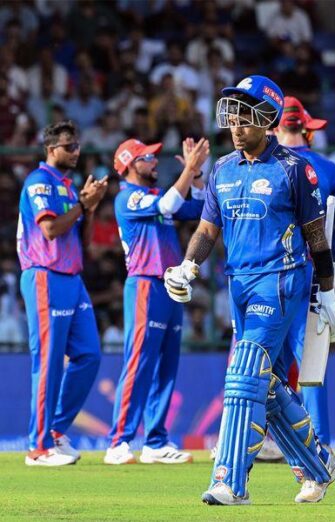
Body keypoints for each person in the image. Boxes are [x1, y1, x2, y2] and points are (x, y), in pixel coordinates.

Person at [163, 76, 335, 505]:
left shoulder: (293, 168)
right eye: (232, 117)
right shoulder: (223, 169)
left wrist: (327, 293)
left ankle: (230, 480)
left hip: (280, 279)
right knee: (267, 383)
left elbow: (316, 237)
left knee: (244, 371)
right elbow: (207, 230)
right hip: (239, 285)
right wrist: (188, 266)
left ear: (267, 119)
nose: (235, 125)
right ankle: (319, 465)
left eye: (244, 117)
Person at [103, 136, 210, 465]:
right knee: (139, 363)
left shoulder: (154, 195)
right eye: (146, 158)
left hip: (169, 286)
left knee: (166, 365)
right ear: (129, 165)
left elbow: (200, 209)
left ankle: (155, 442)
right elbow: (167, 206)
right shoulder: (127, 197)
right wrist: (188, 169)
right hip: (144, 285)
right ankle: (119, 442)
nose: (154, 162)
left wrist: (196, 176)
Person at [18, 120, 108, 466]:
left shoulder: (68, 187)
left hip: (72, 278)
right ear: (50, 148)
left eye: (77, 145)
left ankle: (55, 430)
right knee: (49, 360)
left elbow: (82, 240)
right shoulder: (39, 182)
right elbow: (51, 229)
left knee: (89, 355)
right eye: (69, 146)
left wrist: (90, 208)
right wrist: (82, 206)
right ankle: (38, 448)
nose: (76, 151)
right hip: (45, 276)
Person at [274, 96, 335, 449]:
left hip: (269, 272)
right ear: (306, 130)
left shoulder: (265, 165)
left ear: (275, 129)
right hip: (310, 270)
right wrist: (324, 255)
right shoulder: (327, 168)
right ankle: (317, 441)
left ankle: (265, 436)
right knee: (310, 360)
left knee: (262, 358)